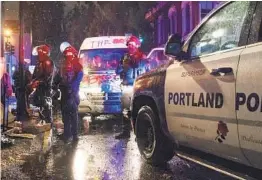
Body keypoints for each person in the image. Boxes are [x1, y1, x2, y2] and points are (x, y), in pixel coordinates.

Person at [115, 35, 149, 139]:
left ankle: (140, 133)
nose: (130, 46)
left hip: (139, 87)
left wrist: (135, 61)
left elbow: (146, 70)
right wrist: (122, 65)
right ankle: (126, 132)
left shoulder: (142, 57)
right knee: (126, 111)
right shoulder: (124, 57)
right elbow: (117, 71)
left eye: (132, 44)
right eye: (129, 44)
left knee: (139, 110)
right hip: (127, 87)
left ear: (137, 45)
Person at [58, 42, 83, 143]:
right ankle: (67, 134)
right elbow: (59, 77)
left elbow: (79, 77)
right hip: (65, 93)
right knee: (66, 115)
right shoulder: (63, 65)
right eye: (66, 55)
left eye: (69, 54)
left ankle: (74, 135)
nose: (67, 56)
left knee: (73, 115)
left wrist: (71, 88)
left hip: (72, 94)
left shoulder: (77, 65)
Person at [29, 44, 54, 124]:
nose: (38, 55)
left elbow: (47, 77)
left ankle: (48, 125)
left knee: (46, 107)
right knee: (38, 104)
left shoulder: (48, 62)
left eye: (39, 53)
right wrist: (32, 81)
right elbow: (35, 75)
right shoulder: (39, 63)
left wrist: (38, 82)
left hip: (45, 90)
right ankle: (43, 121)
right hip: (40, 89)